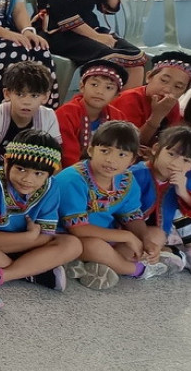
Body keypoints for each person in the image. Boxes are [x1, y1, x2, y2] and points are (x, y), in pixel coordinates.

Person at [54, 121, 182, 289]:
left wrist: (145, 239)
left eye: (122, 155)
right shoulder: (73, 179)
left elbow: (132, 216)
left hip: (107, 237)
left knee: (156, 234)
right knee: (94, 246)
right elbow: (78, 229)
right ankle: (138, 269)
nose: (111, 160)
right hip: (68, 238)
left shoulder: (126, 179)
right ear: (91, 149)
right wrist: (127, 237)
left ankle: (98, 265)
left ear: (132, 159)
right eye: (105, 151)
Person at [0, 130, 81, 290]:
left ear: (49, 174)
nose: (28, 179)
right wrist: (28, 237)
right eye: (20, 169)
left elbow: (47, 235)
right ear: (6, 162)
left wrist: (31, 239)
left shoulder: (51, 186)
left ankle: (4, 275)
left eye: (38, 173)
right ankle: (32, 270)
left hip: (22, 246)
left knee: (73, 244)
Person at [0, 61, 61, 172]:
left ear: (45, 97)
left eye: (34, 95)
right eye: (20, 94)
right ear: (7, 94)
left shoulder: (48, 117)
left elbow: (54, 161)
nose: (26, 102)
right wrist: (1, 179)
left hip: (26, 180)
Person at [130, 125, 191, 272]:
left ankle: (172, 253)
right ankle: (171, 253)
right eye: (171, 154)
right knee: (153, 238)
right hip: (133, 229)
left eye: (186, 160)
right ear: (156, 148)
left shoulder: (186, 179)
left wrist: (182, 191)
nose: (175, 164)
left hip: (164, 231)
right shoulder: (137, 174)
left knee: (158, 236)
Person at [106, 51, 191, 147]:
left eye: (178, 87)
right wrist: (157, 117)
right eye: (164, 80)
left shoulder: (172, 104)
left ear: (184, 92)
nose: (168, 89)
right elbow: (128, 144)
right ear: (149, 77)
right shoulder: (128, 99)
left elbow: (170, 140)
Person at [56, 59, 127, 169]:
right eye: (94, 84)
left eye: (108, 87)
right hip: (73, 172)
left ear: (116, 95)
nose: (99, 91)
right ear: (82, 87)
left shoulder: (118, 117)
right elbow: (68, 156)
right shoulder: (66, 113)